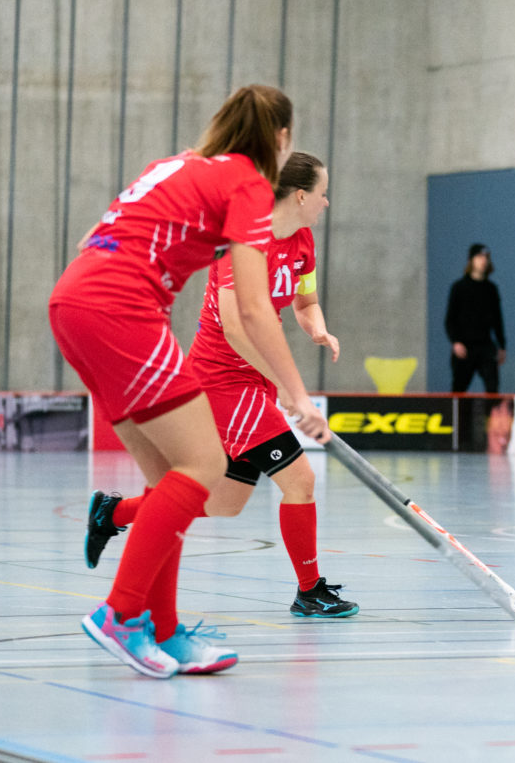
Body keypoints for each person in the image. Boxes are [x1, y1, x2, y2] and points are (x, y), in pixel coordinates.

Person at [49, 85, 327, 679]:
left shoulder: (174, 165)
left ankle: (167, 632)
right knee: (204, 466)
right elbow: (252, 310)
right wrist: (297, 392)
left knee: (170, 478)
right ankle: (121, 615)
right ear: (280, 139)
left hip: (74, 301)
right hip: (121, 310)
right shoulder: (250, 186)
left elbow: (88, 242)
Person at [84, 151, 357, 620]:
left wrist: (317, 328)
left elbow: (305, 301)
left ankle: (115, 514)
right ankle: (309, 590)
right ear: (299, 195)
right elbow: (235, 327)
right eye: (322, 193)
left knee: (225, 504)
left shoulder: (303, 240)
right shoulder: (246, 243)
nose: (326, 203)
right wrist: (289, 389)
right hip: (223, 380)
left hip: (255, 380)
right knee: (301, 480)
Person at [445, 243, 506, 392]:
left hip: (485, 345)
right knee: (459, 389)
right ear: (471, 260)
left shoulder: (491, 289)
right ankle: (458, 416)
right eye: (479, 257)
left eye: (486, 257)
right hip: (465, 346)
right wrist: (456, 342)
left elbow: (497, 320)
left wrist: (502, 345)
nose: (483, 261)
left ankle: (490, 414)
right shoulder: (459, 287)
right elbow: (450, 319)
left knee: (492, 387)